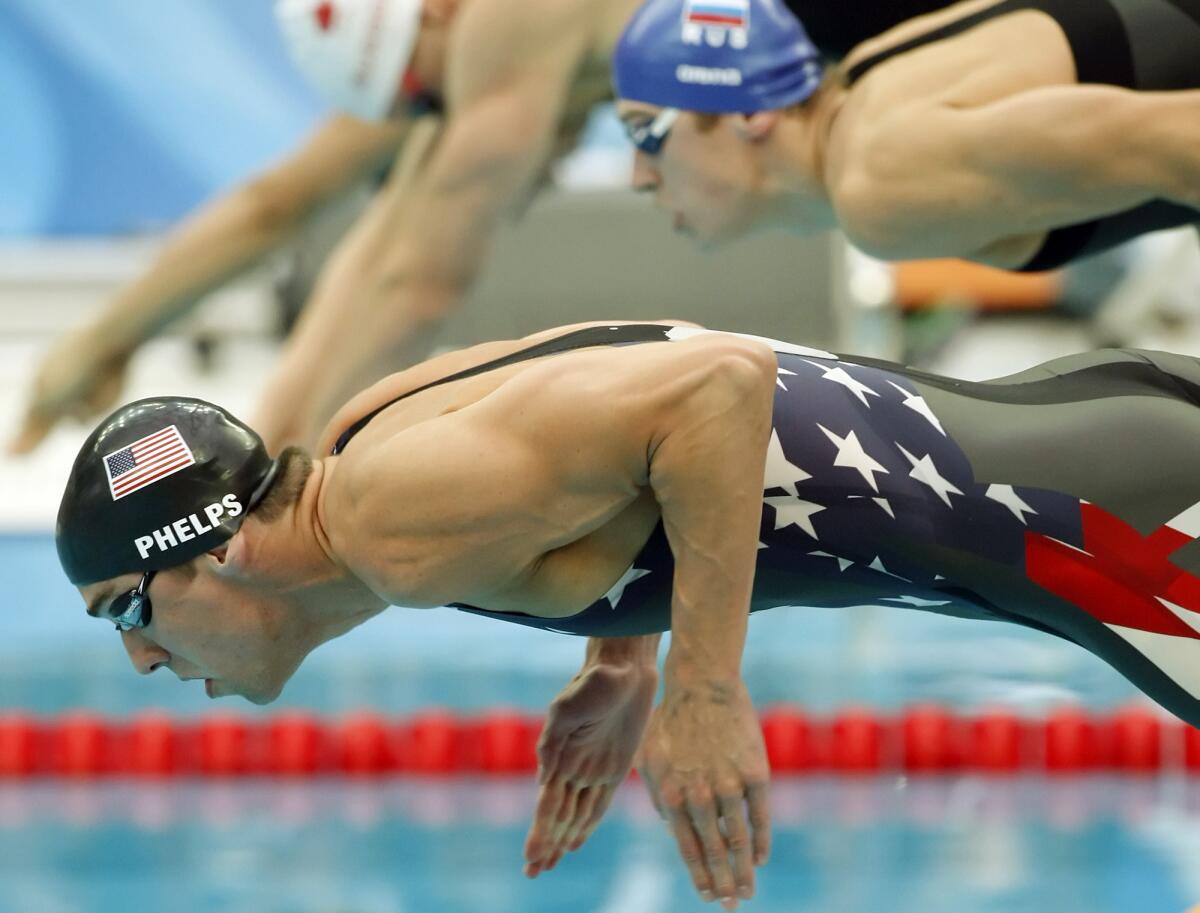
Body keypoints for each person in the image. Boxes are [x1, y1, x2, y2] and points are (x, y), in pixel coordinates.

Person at [58, 319, 1200, 909]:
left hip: (1138, 530)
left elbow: (717, 384)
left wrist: (704, 683)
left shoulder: (388, 521)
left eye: (128, 613)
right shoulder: (374, 439)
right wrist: (622, 652)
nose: (144, 662)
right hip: (1109, 450)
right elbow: (644, 358)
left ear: (205, 553)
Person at [613, 0, 1200, 269]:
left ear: (747, 113)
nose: (640, 177)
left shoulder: (879, 176)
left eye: (646, 134)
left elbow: (1182, 143)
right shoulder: (872, 78)